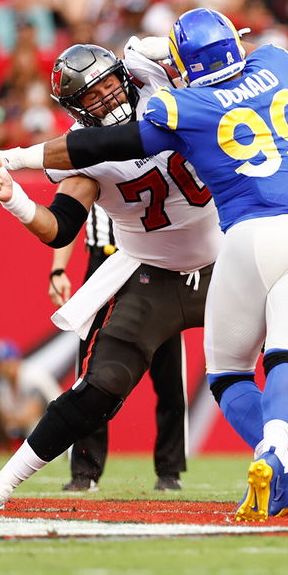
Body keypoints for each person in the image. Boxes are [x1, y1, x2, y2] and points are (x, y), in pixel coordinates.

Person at [0, 9, 288, 522]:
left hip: (225, 259)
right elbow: (61, 226)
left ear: (123, 73)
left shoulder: (163, 87)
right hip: (152, 273)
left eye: (108, 85)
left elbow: (174, 53)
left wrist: (144, 48)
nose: (106, 99)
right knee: (100, 387)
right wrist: (14, 201)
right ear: (76, 108)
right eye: (89, 98)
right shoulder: (96, 141)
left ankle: (287, 451)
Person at [50, 202, 188, 493]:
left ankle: (170, 470)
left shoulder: (156, 157)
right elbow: (70, 213)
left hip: (155, 261)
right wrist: (58, 269)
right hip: (105, 264)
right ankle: (85, 471)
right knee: (91, 370)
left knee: (169, 372)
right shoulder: (92, 162)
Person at [0, 338, 59, 453]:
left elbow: (31, 415)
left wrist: (4, 418)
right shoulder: (3, 383)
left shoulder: (32, 376)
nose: (2, 367)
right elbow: (5, 417)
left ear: (16, 360)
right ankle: (5, 456)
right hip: (28, 426)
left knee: (33, 427)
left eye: (6, 361)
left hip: (56, 428)